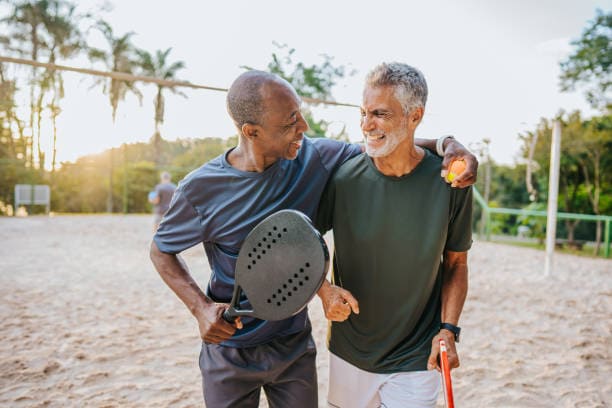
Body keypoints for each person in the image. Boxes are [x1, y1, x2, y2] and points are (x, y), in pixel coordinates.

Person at [149, 70, 476, 408]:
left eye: (300, 113)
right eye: (291, 121)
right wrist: (200, 308)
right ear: (252, 132)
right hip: (230, 348)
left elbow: (387, 142)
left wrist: (449, 145)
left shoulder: (315, 157)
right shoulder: (201, 188)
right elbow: (161, 251)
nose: (303, 126)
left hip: (293, 344)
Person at [316, 62, 472, 408]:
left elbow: (457, 263)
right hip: (350, 350)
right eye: (363, 112)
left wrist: (449, 329)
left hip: (418, 354)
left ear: (414, 116)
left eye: (380, 114)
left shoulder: (451, 181)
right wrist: (324, 291)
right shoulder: (343, 177)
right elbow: (305, 240)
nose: (366, 125)